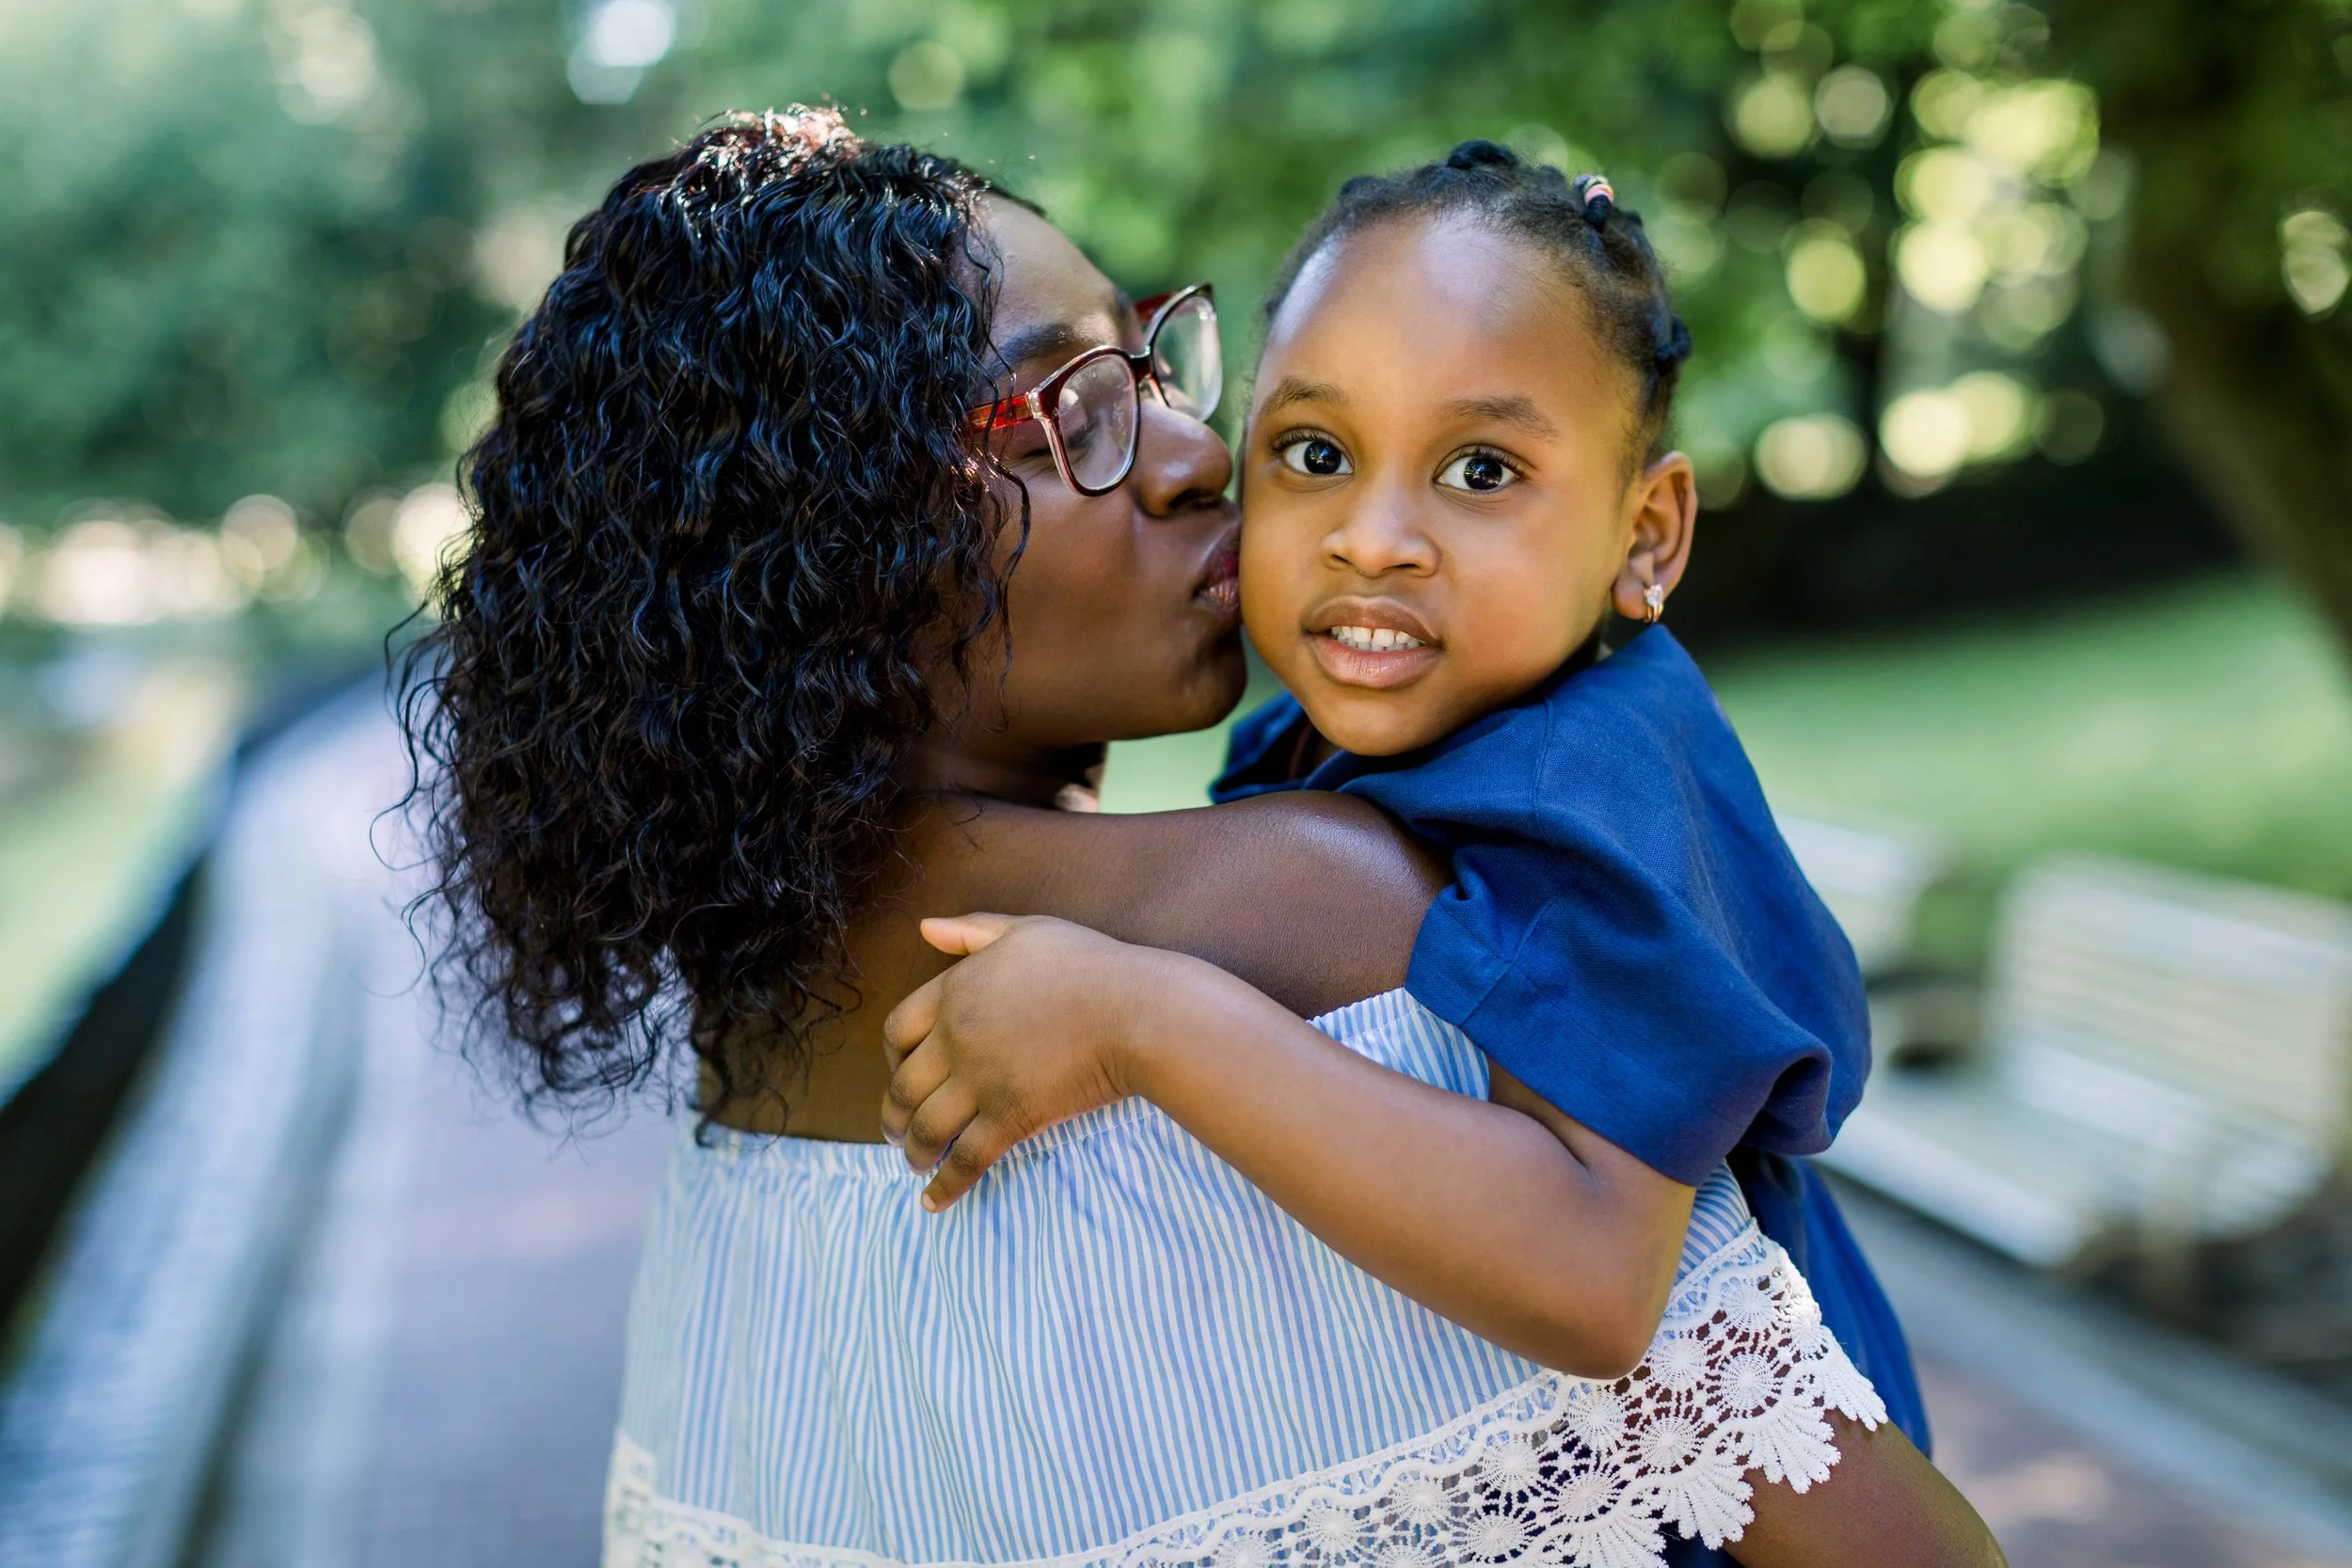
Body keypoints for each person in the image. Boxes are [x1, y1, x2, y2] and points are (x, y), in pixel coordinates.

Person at [405, 110, 1996, 1566]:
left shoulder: (746, 1059)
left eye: (1155, 369)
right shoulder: (1320, 911)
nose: (1189, 456)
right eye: (1069, 411)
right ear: (823, 532)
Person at [882, 141, 1990, 1564]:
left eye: (1480, 469)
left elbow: (1596, 1279)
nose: (1375, 539)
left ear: (1645, 538)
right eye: (1316, 455)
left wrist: (1140, 1021)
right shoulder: (1329, 749)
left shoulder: (1590, 785)